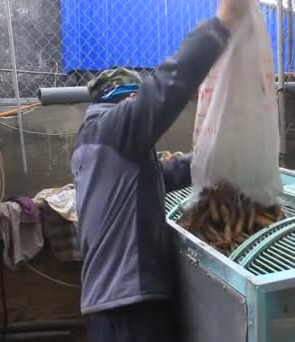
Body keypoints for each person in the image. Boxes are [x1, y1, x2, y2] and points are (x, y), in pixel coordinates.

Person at [71, 0, 250, 340]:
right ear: (123, 101)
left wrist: (217, 159)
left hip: (109, 307)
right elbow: (166, 89)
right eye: (133, 100)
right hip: (128, 307)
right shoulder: (113, 128)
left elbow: (163, 176)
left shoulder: (97, 147)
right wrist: (220, 27)